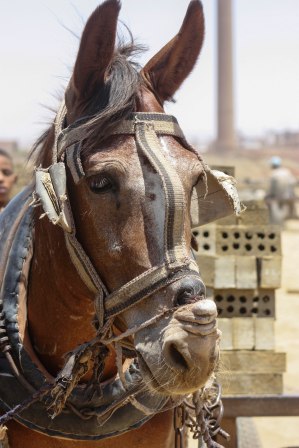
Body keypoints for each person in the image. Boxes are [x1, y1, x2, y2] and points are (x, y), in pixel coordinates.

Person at [266, 156, 297, 224]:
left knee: (268, 202)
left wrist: (267, 196)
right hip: (288, 196)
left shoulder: (274, 174)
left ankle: (275, 223)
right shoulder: (286, 171)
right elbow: (293, 182)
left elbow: (272, 189)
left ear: (273, 165)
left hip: (278, 197)